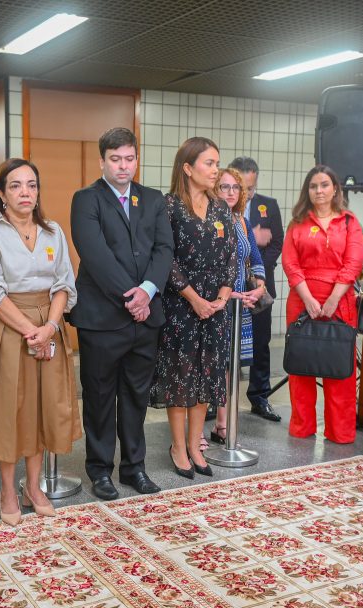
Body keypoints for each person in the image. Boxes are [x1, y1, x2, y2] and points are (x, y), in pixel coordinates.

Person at [0, 158, 81, 525]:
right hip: (7, 329)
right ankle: (7, 489)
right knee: (9, 410)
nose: (25, 192)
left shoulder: (53, 232)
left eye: (31, 185)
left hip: (48, 325)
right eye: (15, 185)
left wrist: (49, 327)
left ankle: (33, 487)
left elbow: (64, 284)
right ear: (1, 193)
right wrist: (30, 331)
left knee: (43, 407)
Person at [69, 127, 174, 501]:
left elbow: (164, 249)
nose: (123, 166)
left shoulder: (152, 199)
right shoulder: (86, 199)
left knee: (136, 395)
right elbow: (94, 254)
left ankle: (134, 468)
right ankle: (100, 470)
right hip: (102, 317)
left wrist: (147, 291)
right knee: (99, 395)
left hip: (146, 316)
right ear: (102, 161)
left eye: (129, 158)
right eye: (115, 159)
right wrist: (130, 296)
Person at [149, 137, 237, 479]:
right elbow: (165, 259)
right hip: (180, 305)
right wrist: (194, 299)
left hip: (215, 308)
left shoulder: (221, 209)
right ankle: (178, 447)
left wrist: (223, 295)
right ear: (188, 168)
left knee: (207, 378)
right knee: (180, 377)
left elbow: (232, 254)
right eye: (209, 164)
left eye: (217, 163)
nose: (215, 170)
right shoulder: (168, 207)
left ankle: (195, 443)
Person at [281, 165, 363, 444]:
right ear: (307, 191)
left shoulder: (350, 223)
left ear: (335, 189)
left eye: (324, 185)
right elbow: (290, 264)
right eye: (314, 186)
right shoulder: (297, 222)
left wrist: (332, 299)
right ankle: (302, 427)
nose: (319, 190)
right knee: (301, 367)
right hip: (301, 300)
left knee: (339, 369)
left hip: (340, 303)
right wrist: (308, 299)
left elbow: (353, 263)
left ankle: (340, 432)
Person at [210, 166, 267, 444]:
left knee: (231, 366)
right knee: (211, 365)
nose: (230, 192)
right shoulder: (207, 218)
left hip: (240, 306)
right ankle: (197, 431)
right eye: (224, 187)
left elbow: (255, 256)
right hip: (215, 304)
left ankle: (223, 424)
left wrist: (261, 285)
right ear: (214, 189)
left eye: (235, 187)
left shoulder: (241, 220)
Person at [230, 156, 284, 422]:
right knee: (225, 344)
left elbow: (276, 243)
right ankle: (214, 403)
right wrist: (254, 236)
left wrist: (257, 274)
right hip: (229, 287)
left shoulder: (269, 206)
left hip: (259, 286)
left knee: (261, 342)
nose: (246, 193)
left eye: (250, 188)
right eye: (242, 187)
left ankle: (259, 397)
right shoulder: (219, 206)